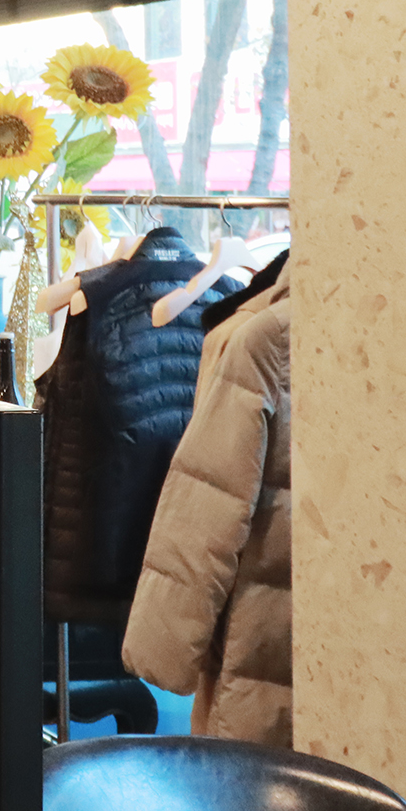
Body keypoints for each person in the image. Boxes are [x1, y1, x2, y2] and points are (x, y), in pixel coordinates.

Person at [120, 274, 293, 745]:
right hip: (280, 648)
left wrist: (161, 644)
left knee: (254, 785)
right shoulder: (262, 335)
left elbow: (210, 493)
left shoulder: (267, 339)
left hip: (261, 649)